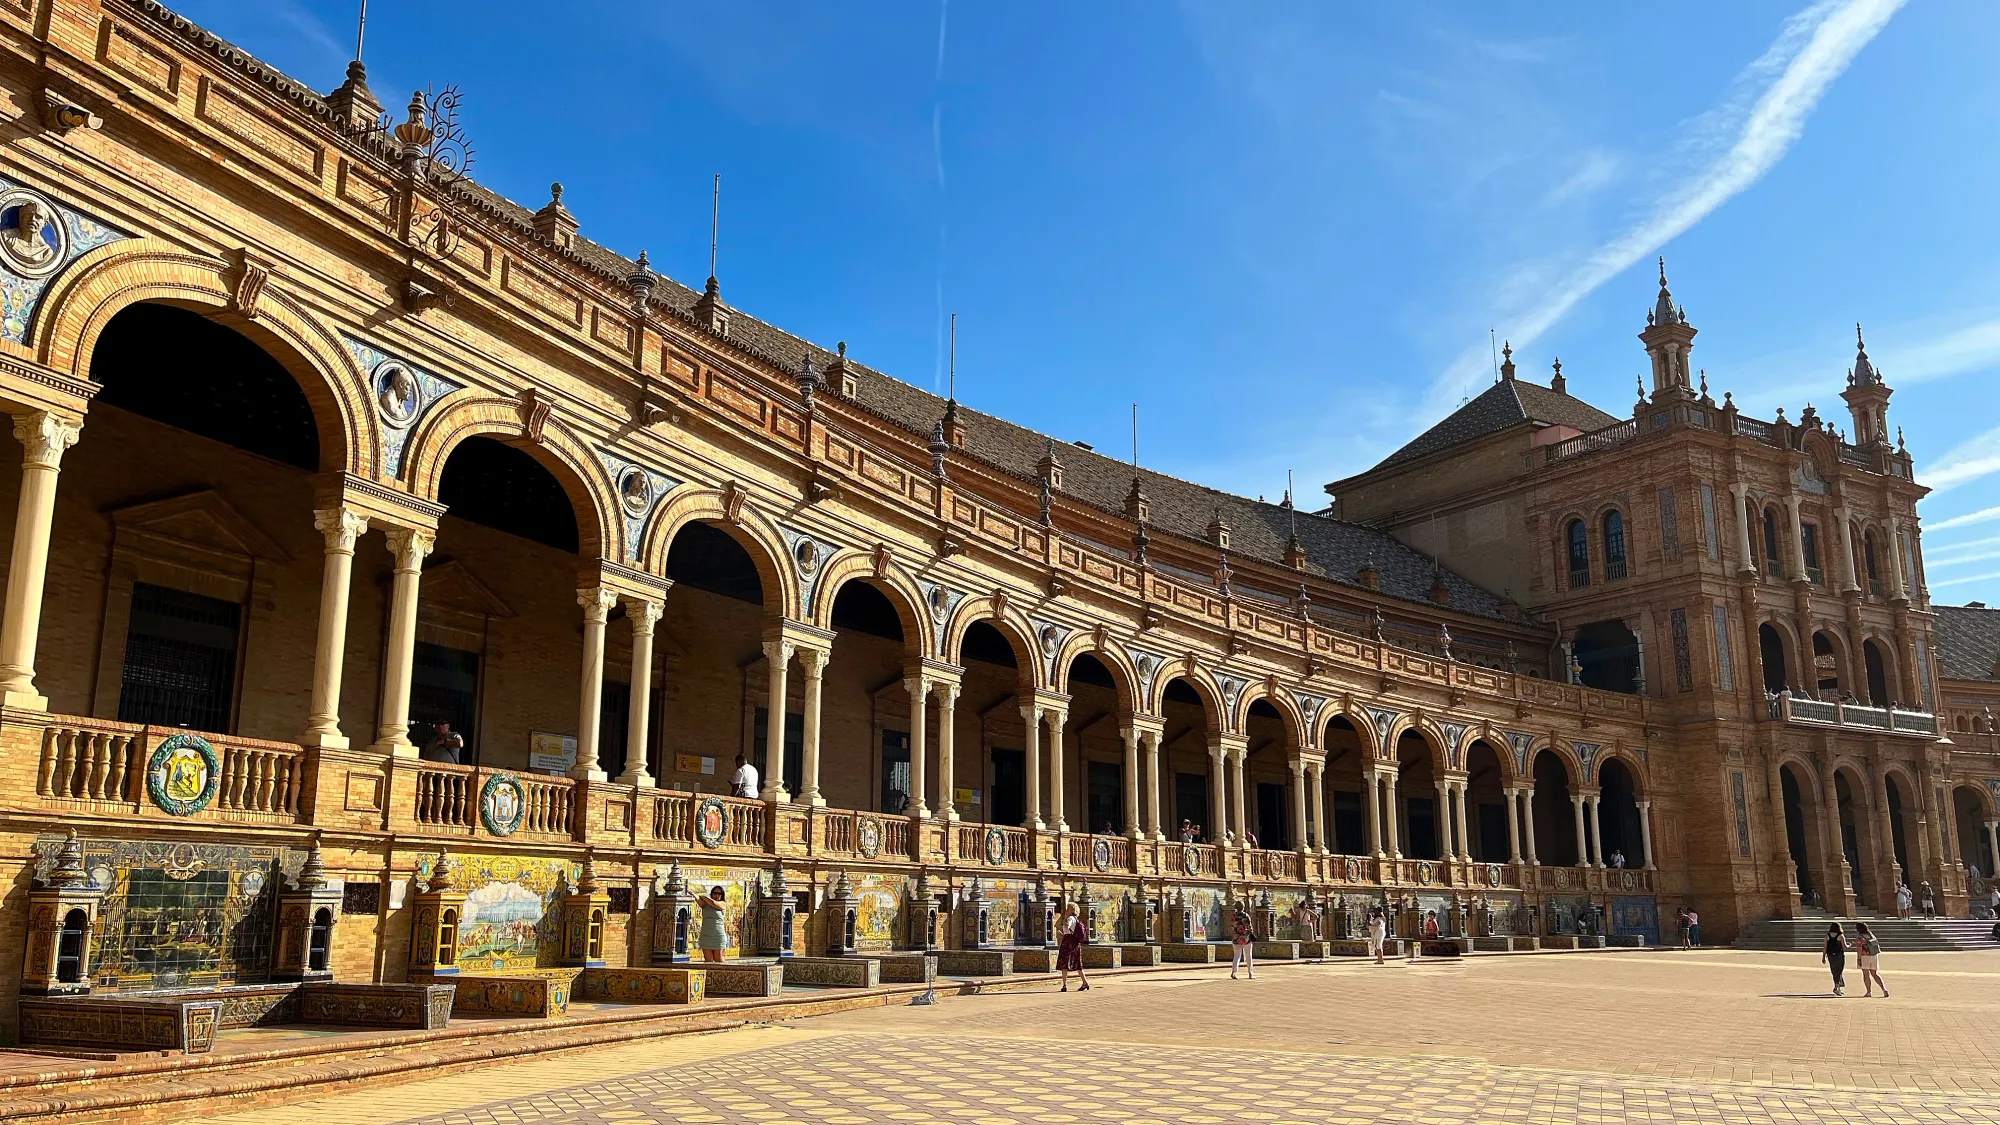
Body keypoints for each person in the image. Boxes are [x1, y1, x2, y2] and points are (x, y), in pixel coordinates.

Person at [1056, 901, 1089, 992]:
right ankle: (1085, 982)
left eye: (1068, 908)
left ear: (1072, 910)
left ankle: (1064, 984)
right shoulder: (1076, 918)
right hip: (1075, 943)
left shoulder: (1070, 918)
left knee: (1064, 964)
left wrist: (1065, 920)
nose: (1066, 909)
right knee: (1077, 964)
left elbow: (1068, 926)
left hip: (1068, 942)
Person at [695, 885, 729, 964]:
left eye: (719, 894)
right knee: (708, 961)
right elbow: (698, 900)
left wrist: (704, 897)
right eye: (714, 893)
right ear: (711, 894)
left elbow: (713, 903)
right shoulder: (705, 904)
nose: (716, 895)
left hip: (718, 936)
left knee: (719, 960)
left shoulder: (722, 904)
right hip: (706, 935)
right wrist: (693, 894)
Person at [1854, 921, 1888, 997]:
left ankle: (1869, 991)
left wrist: (1859, 959)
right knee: (1874, 974)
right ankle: (1884, 989)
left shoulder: (1860, 937)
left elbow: (1859, 949)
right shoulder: (1871, 935)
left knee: (1866, 975)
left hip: (1864, 956)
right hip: (1873, 956)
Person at [1820, 923, 1848, 996]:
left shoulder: (1827, 936)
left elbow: (1825, 947)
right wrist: (1849, 945)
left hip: (1830, 955)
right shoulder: (1841, 936)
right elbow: (1844, 947)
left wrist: (1823, 956)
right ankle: (1836, 987)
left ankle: (1838, 987)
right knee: (1839, 970)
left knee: (1834, 970)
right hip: (1839, 955)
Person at [1230, 906, 1255, 979]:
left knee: (1237, 956)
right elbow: (1250, 927)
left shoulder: (1233, 916)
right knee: (1248, 956)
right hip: (1246, 938)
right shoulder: (1246, 915)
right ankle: (1250, 973)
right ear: (1243, 907)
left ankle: (1233, 972)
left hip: (1236, 938)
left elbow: (1232, 926)